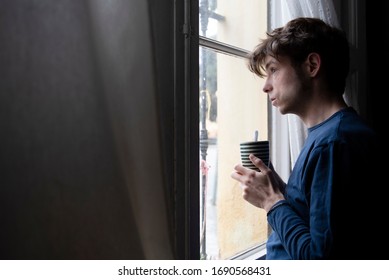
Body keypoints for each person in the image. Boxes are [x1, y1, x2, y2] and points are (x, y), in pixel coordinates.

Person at [230, 17, 384, 259]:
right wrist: (276, 187)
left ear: (312, 65)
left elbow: (320, 262)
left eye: (273, 70)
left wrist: (271, 201)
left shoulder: (334, 143)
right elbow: (313, 215)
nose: (266, 86)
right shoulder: (334, 133)